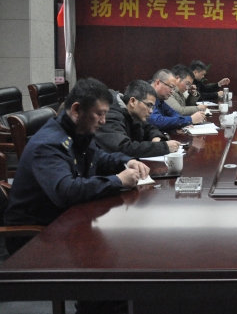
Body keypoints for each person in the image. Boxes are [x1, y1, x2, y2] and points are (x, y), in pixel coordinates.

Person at [3, 78, 149, 254]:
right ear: (76, 110)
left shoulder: (78, 132)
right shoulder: (47, 144)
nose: (103, 121)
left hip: (66, 219)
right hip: (35, 236)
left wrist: (127, 161)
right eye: (99, 114)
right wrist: (118, 181)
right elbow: (67, 191)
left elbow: (99, 158)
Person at [94, 80, 181, 157]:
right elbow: (124, 148)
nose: (151, 111)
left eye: (152, 107)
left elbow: (149, 128)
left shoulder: (133, 113)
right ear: (133, 101)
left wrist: (157, 138)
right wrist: (164, 147)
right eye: (148, 105)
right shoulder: (111, 116)